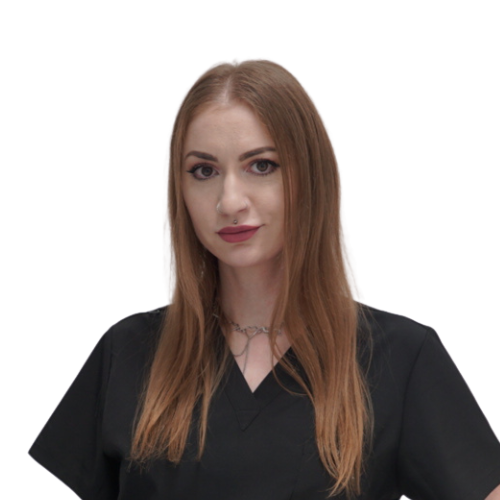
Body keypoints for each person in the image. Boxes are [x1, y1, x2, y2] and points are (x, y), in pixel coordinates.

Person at [28, 57, 500, 499]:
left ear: (310, 178)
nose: (230, 200)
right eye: (204, 170)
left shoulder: (401, 360)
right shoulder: (127, 354)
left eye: (261, 166)